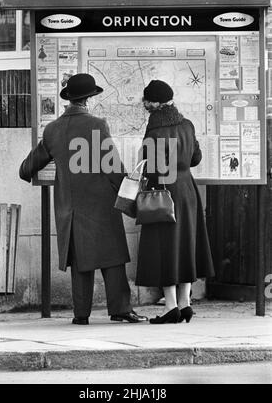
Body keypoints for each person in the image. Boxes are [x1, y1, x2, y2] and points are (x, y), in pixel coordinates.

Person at [19, 73, 147, 325]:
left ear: (69, 99)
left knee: (80, 262)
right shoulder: (97, 125)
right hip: (101, 204)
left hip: (69, 208)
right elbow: (112, 167)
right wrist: (129, 194)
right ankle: (120, 309)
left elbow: (27, 167)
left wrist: (27, 172)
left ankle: (81, 314)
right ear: (88, 98)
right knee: (113, 258)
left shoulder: (53, 129)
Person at [135, 80, 215, 324]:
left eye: (147, 100)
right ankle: (185, 303)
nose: (145, 104)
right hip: (188, 191)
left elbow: (152, 166)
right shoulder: (187, 125)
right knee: (186, 244)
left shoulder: (155, 130)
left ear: (156, 103)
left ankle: (171, 306)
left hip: (163, 192)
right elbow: (196, 158)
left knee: (166, 247)